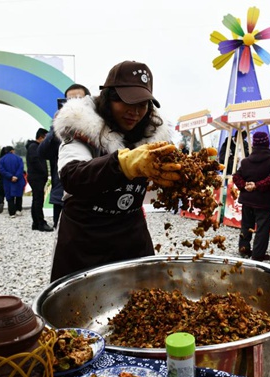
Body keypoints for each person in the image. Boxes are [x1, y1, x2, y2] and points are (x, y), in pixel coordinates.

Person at [50, 60, 180, 282]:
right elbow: (73, 176)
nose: (135, 112)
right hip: (85, 238)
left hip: (131, 234)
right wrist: (124, 164)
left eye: (143, 104)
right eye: (127, 102)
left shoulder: (152, 137)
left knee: (143, 302)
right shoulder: (82, 130)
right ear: (108, 98)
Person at [39, 83, 91, 228]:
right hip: (62, 193)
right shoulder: (59, 128)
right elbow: (42, 152)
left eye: (78, 99)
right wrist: (57, 126)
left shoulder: (98, 126)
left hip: (90, 193)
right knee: (63, 239)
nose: (73, 105)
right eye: (69, 101)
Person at [232, 131, 270, 261]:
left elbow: (236, 176)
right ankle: (258, 254)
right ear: (267, 143)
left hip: (247, 200)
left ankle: (244, 249)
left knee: (246, 226)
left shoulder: (246, 162)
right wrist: (257, 185)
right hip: (264, 202)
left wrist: (245, 185)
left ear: (253, 144)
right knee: (262, 229)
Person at [26, 127, 53, 231]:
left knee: (36, 200)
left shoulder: (33, 147)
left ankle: (36, 223)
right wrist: (44, 172)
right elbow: (35, 161)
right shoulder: (34, 147)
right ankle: (41, 223)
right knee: (38, 200)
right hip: (37, 177)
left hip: (37, 177)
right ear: (41, 137)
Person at [0, 146, 25, 218]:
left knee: (9, 196)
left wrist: (10, 176)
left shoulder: (1, 160)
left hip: (7, 180)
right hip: (18, 180)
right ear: (12, 151)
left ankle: (12, 213)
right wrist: (16, 176)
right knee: (18, 195)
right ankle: (18, 210)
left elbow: (2, 170)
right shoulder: (19, 158)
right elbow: (21, 168)